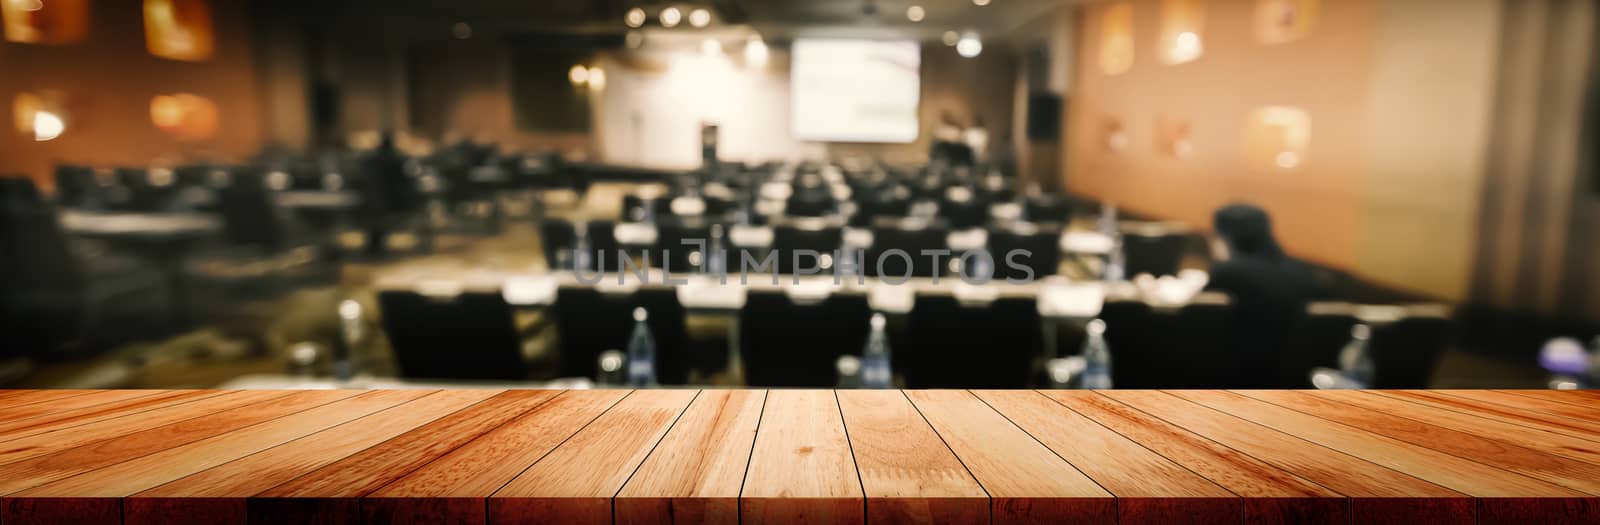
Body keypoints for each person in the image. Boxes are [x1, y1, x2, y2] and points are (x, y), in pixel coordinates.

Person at [1205, 203, 1323, 387]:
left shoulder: (1229, 273)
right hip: (1297, 378)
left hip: (1239, 377)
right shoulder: (1305, 273)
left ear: (1223, 237)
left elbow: (1205, 324)